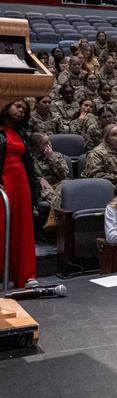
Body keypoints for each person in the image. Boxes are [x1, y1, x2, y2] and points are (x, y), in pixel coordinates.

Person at [0, 100, 41, 287]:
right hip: (3, 183)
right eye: (17, 106)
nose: (20, 111)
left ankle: (25, 277)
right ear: (5, 106)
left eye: (24, 109)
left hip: (21, 182)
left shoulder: (21, 133)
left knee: (22, 229)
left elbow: (29, 163)